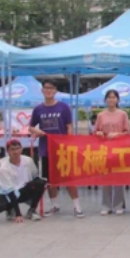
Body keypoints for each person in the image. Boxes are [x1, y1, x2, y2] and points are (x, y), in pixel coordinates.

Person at [29, 79, 84, 218]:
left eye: (51, 88)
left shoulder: (63, 107)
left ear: (55, 91)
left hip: (62, 150)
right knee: (50, 180)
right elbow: (30, 127)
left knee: (68, 178)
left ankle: (77, 207)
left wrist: (69, 143)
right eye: (46, 88)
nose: (48, 90)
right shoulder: (38, 109)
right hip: (46, 150)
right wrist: (37, 131)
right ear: (42, 90)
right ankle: (54, 205)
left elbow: (69, 126)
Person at [94, 89, 130, 216]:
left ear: (117, 100)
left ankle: (119, 205)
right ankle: (106, 205)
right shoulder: (100, 115)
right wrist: (98, 133)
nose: (111, 99)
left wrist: (117, 134)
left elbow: (127, 132)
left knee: (119, 177)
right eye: (109, 97)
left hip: (119, 149)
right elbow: (95, 131)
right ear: (105, 100)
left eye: (113, 97)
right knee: (106, 178)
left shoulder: (123, 114)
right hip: (105, 149)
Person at [0, 139, 44, 222]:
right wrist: (18, 214)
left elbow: (35, 177)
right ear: (8, 151)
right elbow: (10, 191)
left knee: (40, 183)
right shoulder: (4, 168)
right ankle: (10, 208)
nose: (16, 152)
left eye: (17, 148)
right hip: (9, 193)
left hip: (24, 189)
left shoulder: (28, 160)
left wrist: (43, 184)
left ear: (21, 149)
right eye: (12, 149)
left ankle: (32, 210)